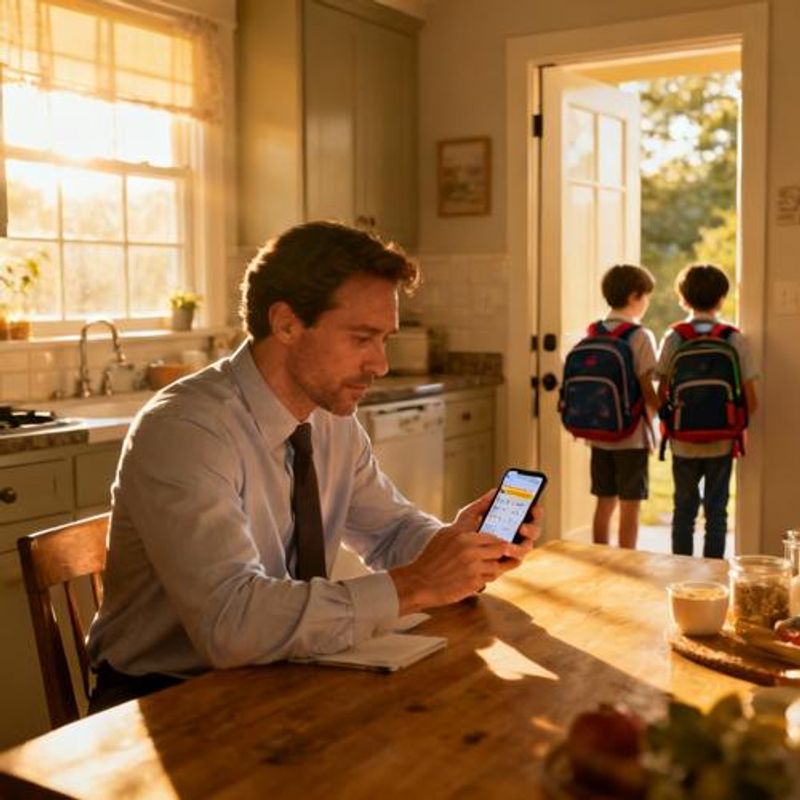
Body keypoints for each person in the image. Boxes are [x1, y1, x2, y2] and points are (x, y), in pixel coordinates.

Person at [87, 220, 540, 712]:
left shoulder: (328, 417)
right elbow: (231, 624)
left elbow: (389, 531)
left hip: (281, 673)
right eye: (363, 338)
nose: (381, 364)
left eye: (385, 339)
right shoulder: (186, 430)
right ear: (286, 324)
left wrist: (457, 550)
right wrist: (417, 583)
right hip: (165, 699)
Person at [655, 263, 758, 558]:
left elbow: (662, 390)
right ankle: (713, 575)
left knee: (683, 511)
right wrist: (735, 426)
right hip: (722, 441)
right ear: (721, 299)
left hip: (683, 441)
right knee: (717, 513)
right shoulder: (733, 338)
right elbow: (751, 399)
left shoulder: (675, 336)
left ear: (683, 299)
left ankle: (680, 571)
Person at [590, 264, 659, 549]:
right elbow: (646, 388)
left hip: (599, 433)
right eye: (646, 297)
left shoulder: (593, 331)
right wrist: (662, 415)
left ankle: (599, 556)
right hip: (631, 436)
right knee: (631, 504)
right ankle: (627, 559)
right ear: (634, 296)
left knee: (604, 500)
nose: (647, 303)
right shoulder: (640, 336)